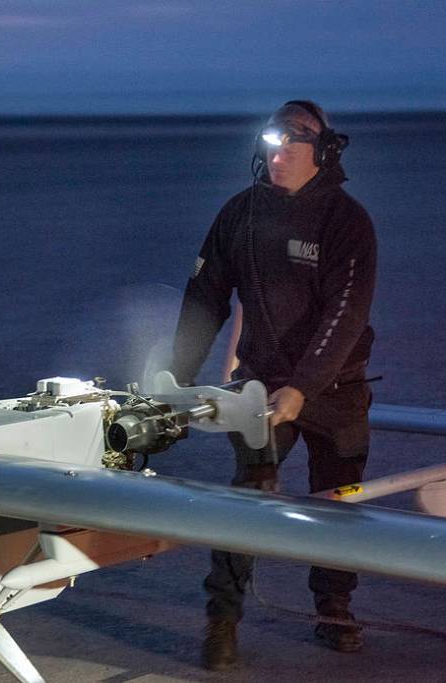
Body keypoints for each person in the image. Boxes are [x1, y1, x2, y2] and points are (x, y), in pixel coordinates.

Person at [170, 100, 377, 670]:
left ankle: (335, 611)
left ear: (323, 152)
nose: (278, 156)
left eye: (292, 146)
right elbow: (205, 298)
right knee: (248, 500)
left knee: (338, 503)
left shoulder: (346, 221)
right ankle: (222, 622)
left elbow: (346, 312)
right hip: (260, 389)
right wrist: (177, 375)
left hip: (336, 391)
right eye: (271, 146)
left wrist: (305, 386)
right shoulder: (239, 214)